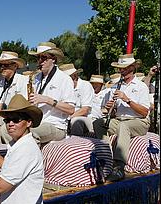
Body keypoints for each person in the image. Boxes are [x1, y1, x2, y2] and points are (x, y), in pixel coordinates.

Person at [93, 54, 150, 182]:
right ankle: (106, 158)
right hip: (119, 120)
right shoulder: (114, 87)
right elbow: (111, 113)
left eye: (123, 68)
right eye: (119, 68)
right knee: (98, 123)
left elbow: (144, 112)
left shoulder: (141, 86)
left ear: (132, 68)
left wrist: (127, 100)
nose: (120, 71)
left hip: (139, 121)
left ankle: (119, 167)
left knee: (124, 126)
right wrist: (109, 108)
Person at [28, 41, 76, 147]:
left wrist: (47, 100)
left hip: (56, 126)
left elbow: (71, 109)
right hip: (38, 123)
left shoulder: (65, 79)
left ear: (53, 59)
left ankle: (30, 163)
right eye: (38, 58)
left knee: (29, 134)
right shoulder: (35, 78)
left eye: (44, 58)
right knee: (7, 129)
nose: (40, 61)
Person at [0, 51, 29, 143]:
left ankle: (7, 151)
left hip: (18, 117)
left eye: (6, 65)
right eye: (1, 65)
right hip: (8, 116)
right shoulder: (2, 83)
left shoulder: (23, 81)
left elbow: (21, 108)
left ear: (15, 66)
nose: (2, 68)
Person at [59, 63, 95, 136]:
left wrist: (69, 119)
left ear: (75, 76)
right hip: (68, 117)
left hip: (87, 117)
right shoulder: (63, 88)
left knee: (76, 121)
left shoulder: (85, 85)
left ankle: (75, 142)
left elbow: (85, 110)